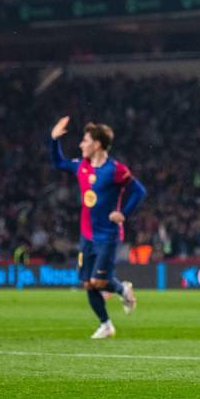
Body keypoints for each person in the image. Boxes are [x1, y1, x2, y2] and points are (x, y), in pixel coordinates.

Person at [50, 116, 147, 339]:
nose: (81, 145)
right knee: (87, 283)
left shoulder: (116, 170)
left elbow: (139, 191)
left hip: (108, 236)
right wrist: (54, 140)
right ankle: (106, 325)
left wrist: (124, 214)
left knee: (98, 281)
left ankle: (122, 289)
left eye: (85, 141)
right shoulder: (81, 166)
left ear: (97, 144)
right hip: (87, 235)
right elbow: (58, 163)